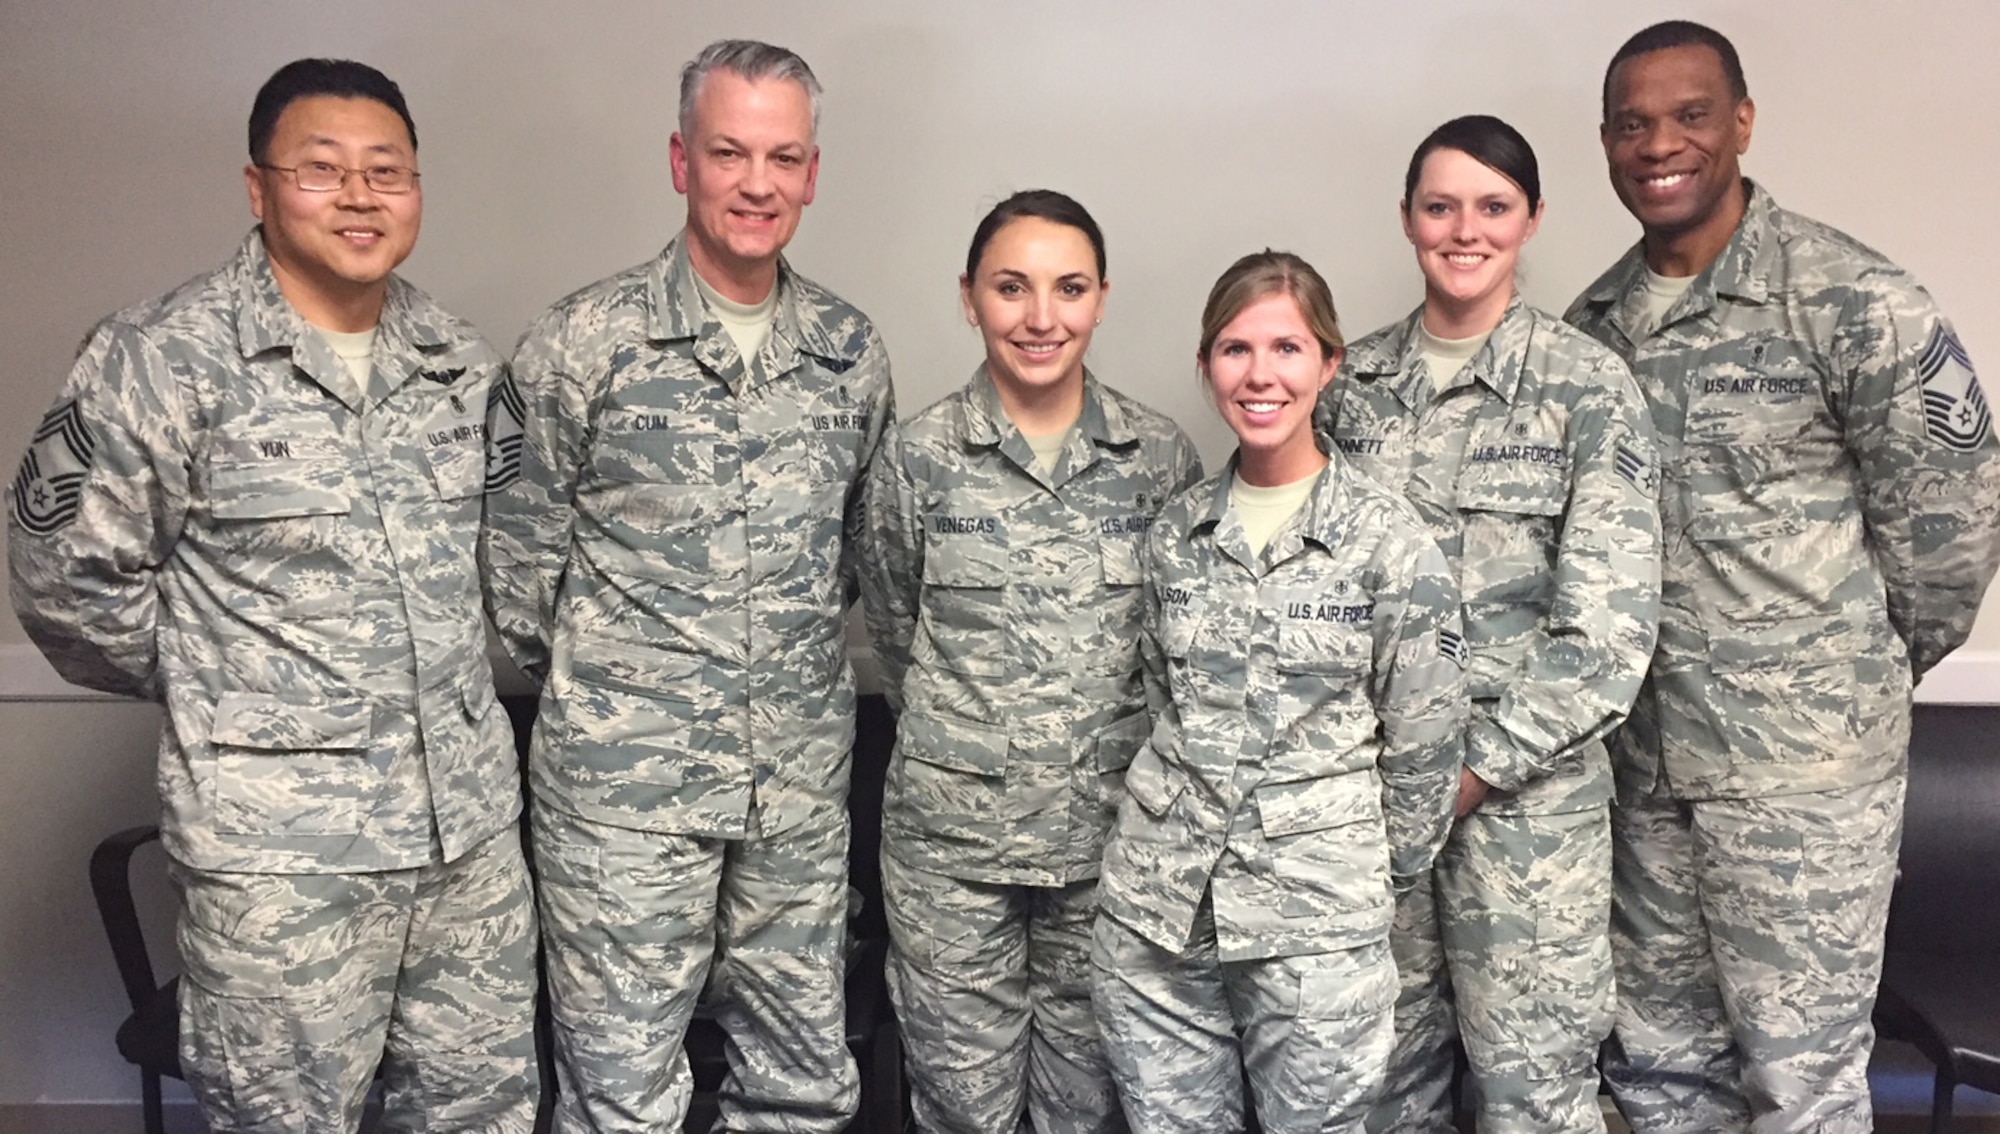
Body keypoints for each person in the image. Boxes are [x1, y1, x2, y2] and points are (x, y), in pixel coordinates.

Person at [8, 59, 538, 1133]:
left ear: (416, 190)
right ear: (257, 188)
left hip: (465, 850)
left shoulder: (457, 361)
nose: (358, 196)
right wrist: (226, 687)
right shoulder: (159, 360)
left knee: (482, 1115)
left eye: (386, 172)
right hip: (281, 866)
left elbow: (503, 567)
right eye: (321, 169)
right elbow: (63, 583)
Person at [1565, 20, 2000, 1134]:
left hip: (1799, 783)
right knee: (1659, 1079)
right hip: (1644, 776)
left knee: (1797, 1088)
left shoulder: (1850, 298)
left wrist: (1839, 677)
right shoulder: (1589, 330)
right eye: (1631, 122)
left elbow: (1950, 520)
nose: (1658, 142)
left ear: (1742, 122)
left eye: (1689, 114)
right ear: (1606, 143)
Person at [480, 38, 894, 1133]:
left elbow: (852, 553)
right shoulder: (578, 344)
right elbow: (517, 574)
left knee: (802, 1087)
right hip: (624, 803)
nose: (756, 183)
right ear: (679, 161)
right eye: (727, 152)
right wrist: (624, 698)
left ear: (812, 171)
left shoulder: (849, 353)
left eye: (782, 157)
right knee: (622, 1098)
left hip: (793, 795)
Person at [1319, 115, 1661, 1134]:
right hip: (1368, 805)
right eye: (1439, 206)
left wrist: (1465, 773)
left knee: (1533, 1100)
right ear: (1406, 220)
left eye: (1491, 207)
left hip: (1524, 818)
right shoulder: (1350, 390)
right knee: (1372, 1082)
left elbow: (1604, 636)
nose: (1462, 230)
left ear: (1531, 220)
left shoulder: (1583, 386)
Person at [1089, 250, 1466, 1134]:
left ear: (1329, 364)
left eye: (1288, 349)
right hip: (1159, 918)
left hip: (1316, 924)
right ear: (1206, 363)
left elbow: (1426, 741)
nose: (1261, 375)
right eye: (1234, 349)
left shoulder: (1386, 541)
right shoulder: (1178, 532)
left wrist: (1357, 878)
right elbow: (1156, 703)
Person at [859, 189, 1202, 1134]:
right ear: (969, 298)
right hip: (952, 858)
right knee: (964, 1109)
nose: (1040, 317)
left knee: (1089, 1109)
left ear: (1101, 299)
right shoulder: (916, 458)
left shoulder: (1158, 459)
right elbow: (894, 632)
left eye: (1068, 288)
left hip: (1105, 851)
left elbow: (1175, 653)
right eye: (1012, 288)